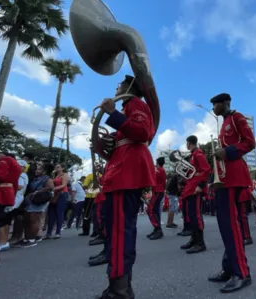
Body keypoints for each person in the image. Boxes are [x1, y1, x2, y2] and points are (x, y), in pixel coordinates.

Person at [96, 74, 156, 298]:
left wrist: (113, 113)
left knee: (121, 232)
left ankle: (119, 290)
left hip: (126, 173)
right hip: (121, 171)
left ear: (130, 86)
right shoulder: (129, 107)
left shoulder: (134, 103)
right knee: (117, 232)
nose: (117, 87)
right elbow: (126, 135)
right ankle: (120, 286)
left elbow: (142, 133)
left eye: (120, 84)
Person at [208, 93, 254, 293]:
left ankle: (241, 273)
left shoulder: (237, 118)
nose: (213, 109)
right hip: (225, 178)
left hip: (234, 176)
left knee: (231, 226)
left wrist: (227, 152)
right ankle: (229, 268)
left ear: (224, 103)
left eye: (215, 105)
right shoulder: (225, 122)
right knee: (225, 225)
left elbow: (250, 142)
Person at [179, 135, 211, 254]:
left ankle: (200, 243)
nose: (186, 145)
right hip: (190, 188)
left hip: (196, 189)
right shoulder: (192, 155)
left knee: (196, 215)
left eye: (186, 143)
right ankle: (193, 239)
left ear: (189, 143)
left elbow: (206, 170)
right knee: (191, 216)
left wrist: (201, 185)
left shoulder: (198, 154)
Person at [147, 157, 167, 240]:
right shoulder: (161, 170)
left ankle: (158, 228)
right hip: (158, 191)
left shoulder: (160, 170)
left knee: (150, 210)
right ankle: (156, 229)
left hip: (157, 192)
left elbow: (150, 177)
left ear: (158, 163)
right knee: (155, 211)